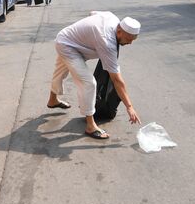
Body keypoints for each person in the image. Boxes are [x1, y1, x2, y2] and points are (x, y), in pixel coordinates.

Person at [47, 11, 142, 139]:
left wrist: (86, 33)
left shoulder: (112, 18)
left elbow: (92, 13)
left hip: (66, 37)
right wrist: (129, 107)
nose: (130, 43)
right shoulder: (107, 42)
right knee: (89, 83)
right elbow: (117, 80)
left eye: (132, 40)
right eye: (128, 39)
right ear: (119, 31)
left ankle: (52, 100)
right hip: (68, 46)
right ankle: (90, 126)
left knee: (60, 72)